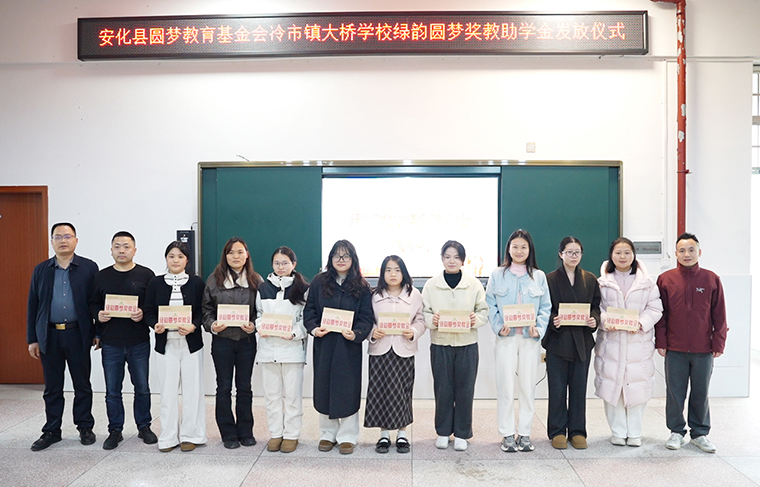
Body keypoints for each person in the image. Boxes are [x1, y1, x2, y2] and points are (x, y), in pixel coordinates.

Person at [26, 222, 99, 451]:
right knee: (52, 387)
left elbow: (96, 302)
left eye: (67, 236)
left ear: (76, 240)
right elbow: (33, 305)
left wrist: (98, 332)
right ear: (52, 241)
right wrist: (32, 338)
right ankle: (52, 430)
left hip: (78, 334)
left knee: (82, 385)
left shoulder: (89, 268)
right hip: (49, 336)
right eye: (58, 237)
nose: (63, 241)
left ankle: (85, 427)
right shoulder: (41, 270)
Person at [655, 232, 727, 453]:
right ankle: (676, 431)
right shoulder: (665, 279)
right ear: (676, 254)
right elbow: (661, 314)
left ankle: (700, 433)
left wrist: (718, 343)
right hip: (674, 348)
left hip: (703, 348)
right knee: (675, 392)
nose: (687, 254)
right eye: (682, 250)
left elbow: (719, 315)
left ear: (699, 252)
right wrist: (661, 341)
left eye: (691, 250)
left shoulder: (711, 279)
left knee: (700, 392)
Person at [303, 240, 373, 455]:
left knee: (348, 389)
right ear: (330, 258)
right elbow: (310, 311)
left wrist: (357, 333)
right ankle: (327, 434)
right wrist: (314, 329)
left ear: (353, 259)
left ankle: (348, 436)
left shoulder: (362, 286)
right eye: (337, 256)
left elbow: (366, 317)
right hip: (325, 344)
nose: (341, 260)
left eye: (346, 256)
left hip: (348, 346)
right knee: (324, 386)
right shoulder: (319, 281)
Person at [90, 231, 156, 450]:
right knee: (112, 390)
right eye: (117, 246)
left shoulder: (146, 275)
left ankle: (144, 426)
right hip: (111, 342)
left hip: (138, 341)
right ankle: (115, 430)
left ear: (134, 250)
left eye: (126, 246)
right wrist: (98, 314)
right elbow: (93, 302)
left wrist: (142, 313)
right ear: (111, 250)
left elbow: (152, 305)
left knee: (142, 387)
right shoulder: (101, 276)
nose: (122, 250)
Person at [486, 230, 551, 453]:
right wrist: (498, 327)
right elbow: (490, 304)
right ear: (508, 249)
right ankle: (506, 433)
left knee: (527, 386)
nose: (519, 251)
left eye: (523, 247)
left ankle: (524, 433)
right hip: (507, 338)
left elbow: (546, 307)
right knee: (505, 386)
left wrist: (538, 329)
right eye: (515, 246)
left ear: (530, 250)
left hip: (529, 339)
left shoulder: (539, 276)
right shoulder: (498, 275)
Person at [594, 237, 663, 447]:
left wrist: (641, 323)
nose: (622, 256)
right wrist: (605, 321)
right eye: (618, 252)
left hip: (637, 343)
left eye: (627, 252)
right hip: (611, 342)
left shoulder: (647, 283)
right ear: (611, 255)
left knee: (636, 387)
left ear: (634, 255)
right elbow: (597, 308)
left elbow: (655, 308)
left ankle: (635, 433)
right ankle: (617, 432)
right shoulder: (602, 282)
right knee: (613, 386)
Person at [422, 240, 489, 452]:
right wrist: (433, 320)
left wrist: (475, 320)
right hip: (440, 344)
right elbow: (424, 313)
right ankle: (442, 431)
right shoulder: (431, 285)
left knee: (465, 389)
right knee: (442, 389)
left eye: (456, 257)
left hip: (467, 344)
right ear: (442, 259)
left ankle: (462, 433)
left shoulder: (474, 284)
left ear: (463, 260)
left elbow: (483, 311)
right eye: (448, 256)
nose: (452, 261)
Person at [144, 241, 207, 452]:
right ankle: (168, 437)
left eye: (180, 256)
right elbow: (148, 310)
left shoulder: (197, 283)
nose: (175, 260)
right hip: (166, 345)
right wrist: (155, 324)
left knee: (193, 391)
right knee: (167, 392)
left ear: (187, 260)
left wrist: (193, 325)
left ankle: (191, 435)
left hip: (191, 345)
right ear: (166, 259)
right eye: (171, 256)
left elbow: (203, 310)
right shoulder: (156, 283)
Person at [202, 237, 261, 449]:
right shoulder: (214, 280)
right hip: (222, 342)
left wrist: (254, 325)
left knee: (244, 387)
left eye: (240, 252)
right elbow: (206, 310)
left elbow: (262, 311)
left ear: (247, 255)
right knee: (223, 387)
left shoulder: (256, 280)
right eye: (231, 252)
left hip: (246, 341)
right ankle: (228, 433)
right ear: (225, 256)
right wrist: (212, 325)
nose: (235, 256)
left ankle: (246, 431)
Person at [542, 236, 601, 450]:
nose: (573, 256)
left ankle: (577, 431)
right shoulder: (549, 279)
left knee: (578, 388)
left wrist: (594, 319)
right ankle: (557, 431)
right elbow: (544, 308)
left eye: (577, 252)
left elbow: (596, 306)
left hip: (582, 342)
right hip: (557, 341)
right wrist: (553, 320)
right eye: (569, 252)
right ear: (561, 254)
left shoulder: (590, 279)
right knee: (557, 388)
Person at [364, 255, 425, 454]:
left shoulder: (414, 294)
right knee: (380, 391)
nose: (393, 274)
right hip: (380, 350)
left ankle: (402, 434)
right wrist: (372, 332)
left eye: (397, 270)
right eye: (388, 270)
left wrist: (413, 332)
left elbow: (420, 320)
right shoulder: (374, 295)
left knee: (402, 392)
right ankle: (383, 435)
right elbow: (366, 319)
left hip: (403, 350)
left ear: (403, 272)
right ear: (382, 273)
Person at [255, 246, 309, 454]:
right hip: (268, 350)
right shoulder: (263, 288)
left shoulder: (302, 288)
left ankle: (291, 435)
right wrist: (261, 327)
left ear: (293, 264)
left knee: (293, 397)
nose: (280, 267)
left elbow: (306, 318)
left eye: (285, 263)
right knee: (272, 396)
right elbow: (258, 313)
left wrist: (294, 333)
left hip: (292, 350)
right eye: (277, 263)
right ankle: (276, 433)